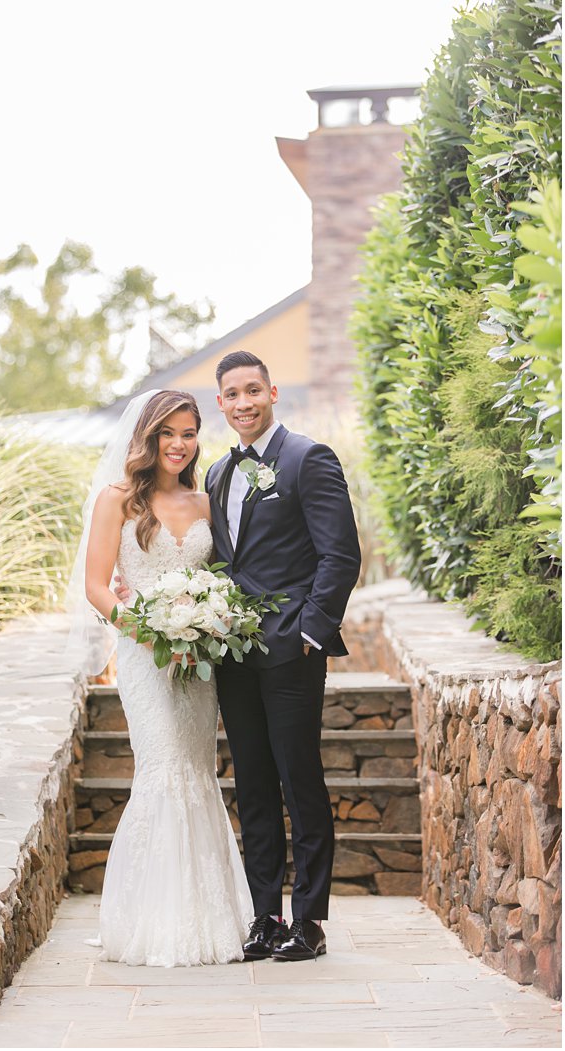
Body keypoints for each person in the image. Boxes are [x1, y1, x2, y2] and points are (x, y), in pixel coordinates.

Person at [70, 388, 253, 966]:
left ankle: (207, 918)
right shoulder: (116, 501)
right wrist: (152, 632)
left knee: (198, 770)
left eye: (189, 433)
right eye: (167, 433)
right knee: (163, 768)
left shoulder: (205, 504)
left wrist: (207, 623)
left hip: (198, 663)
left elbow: (225, 578)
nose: (178, 444)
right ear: (145, 438)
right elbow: (98, 586)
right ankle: (151, 922)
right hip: (146, 658)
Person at [203, 350, 359, 961]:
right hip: (234, 655)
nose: (243, 403)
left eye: (252, 391)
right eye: (231, 395)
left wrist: (311, 632)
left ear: (272, 392)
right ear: (221, 403)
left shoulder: (307, 458)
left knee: (300, 781)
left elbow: (339, 554)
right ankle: (265, 914)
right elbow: (226, 563)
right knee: (254, 785)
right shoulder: (218, 473)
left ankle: (310, 920)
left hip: (292, 647)